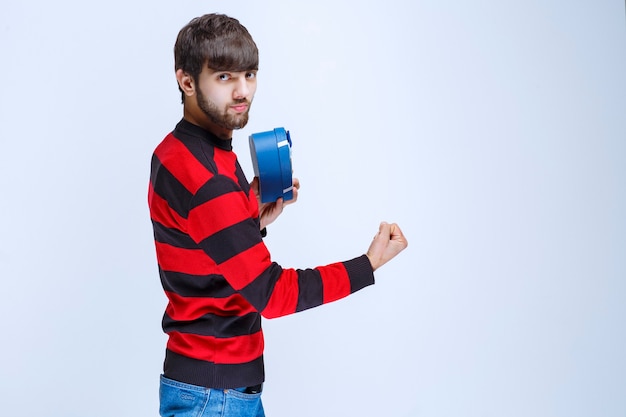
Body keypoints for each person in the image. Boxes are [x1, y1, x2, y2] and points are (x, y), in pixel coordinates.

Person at [148, 13, 408, 417]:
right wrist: (367, 264)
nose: (242, 91)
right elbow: (272, 294)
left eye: (249, 75)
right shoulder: (210, 179)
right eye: (223, 77)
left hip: (206, 383)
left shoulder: (175, 150)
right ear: (186, 81)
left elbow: (198, 241)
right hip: (216, 396)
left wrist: (249, 218)